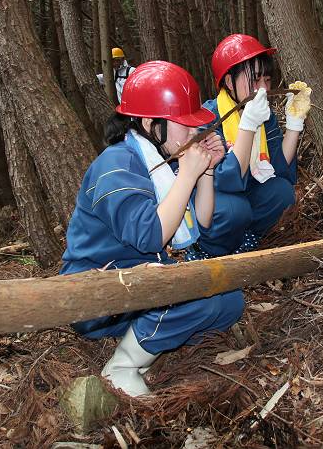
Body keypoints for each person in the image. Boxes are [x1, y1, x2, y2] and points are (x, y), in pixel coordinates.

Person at [61, 61, 242, 397]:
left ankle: (151, 339)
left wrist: (206, 172)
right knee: (192, 294)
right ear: (149, 123)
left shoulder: (162, 158)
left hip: (142, 280)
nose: (193, 133)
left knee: (229, 300)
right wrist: (188, 173)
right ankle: (123, 366)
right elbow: (151, 236)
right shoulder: (117, 164)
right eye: (183, 125)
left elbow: (199, 225)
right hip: (97, 293)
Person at [187, 34, 312, 259]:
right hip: (217, 202)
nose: (263, 89)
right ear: (228, 82)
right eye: (254, 80)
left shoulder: (263, 114)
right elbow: (226, 179)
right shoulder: (208, 117)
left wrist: (294, 124)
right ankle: (210, 252)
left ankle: (248, 240)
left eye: (267, 80)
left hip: (247, 195)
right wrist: (247, 125)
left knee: (282, 192)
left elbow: (280, 168)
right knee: (235, 210)